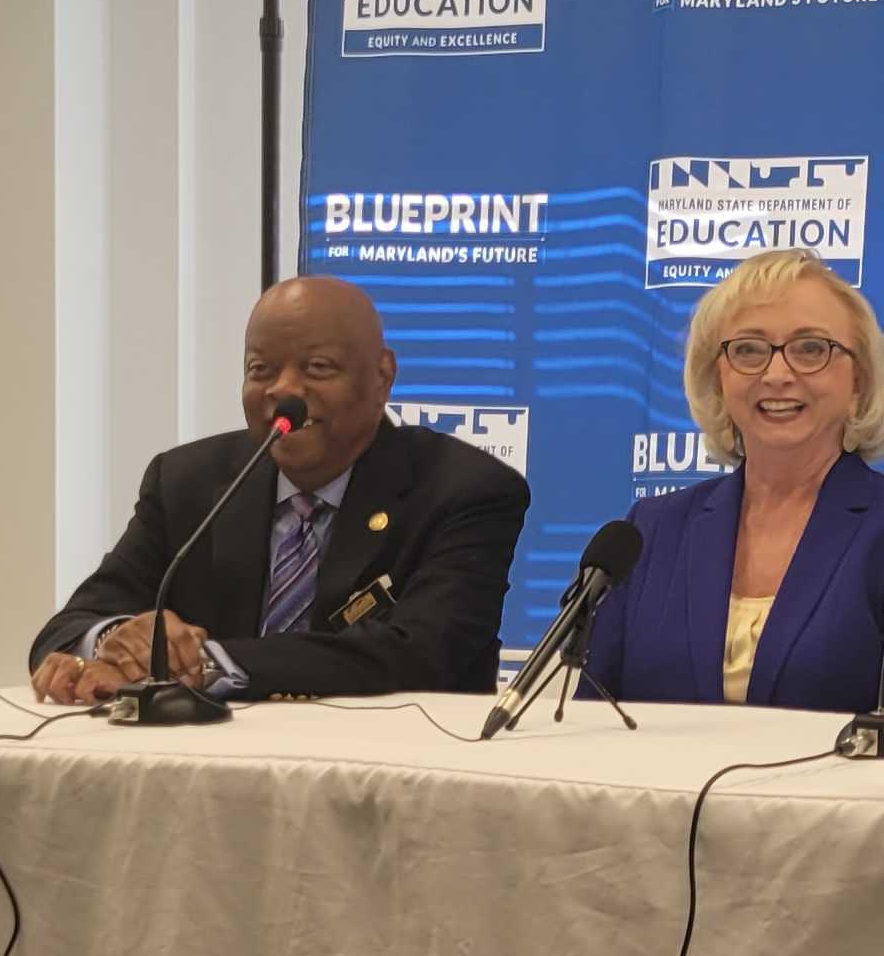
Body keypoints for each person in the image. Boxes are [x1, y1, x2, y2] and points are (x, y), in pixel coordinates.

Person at [30, 275, 527, 704]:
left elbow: (419, 655)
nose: (282, 391)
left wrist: (204, 663)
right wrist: (118, 640)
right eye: (260, 370)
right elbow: (71, 624)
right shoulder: (188, 480)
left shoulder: (464, 490)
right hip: (197, 776)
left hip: (396, 780)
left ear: (382, 378)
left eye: (317, 368)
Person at [581, 247, 884, 715]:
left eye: (811, 349)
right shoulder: (650, 530)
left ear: (858, 384)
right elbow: (589, 717)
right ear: (717, 379)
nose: (777, 374)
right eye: (748, 350)